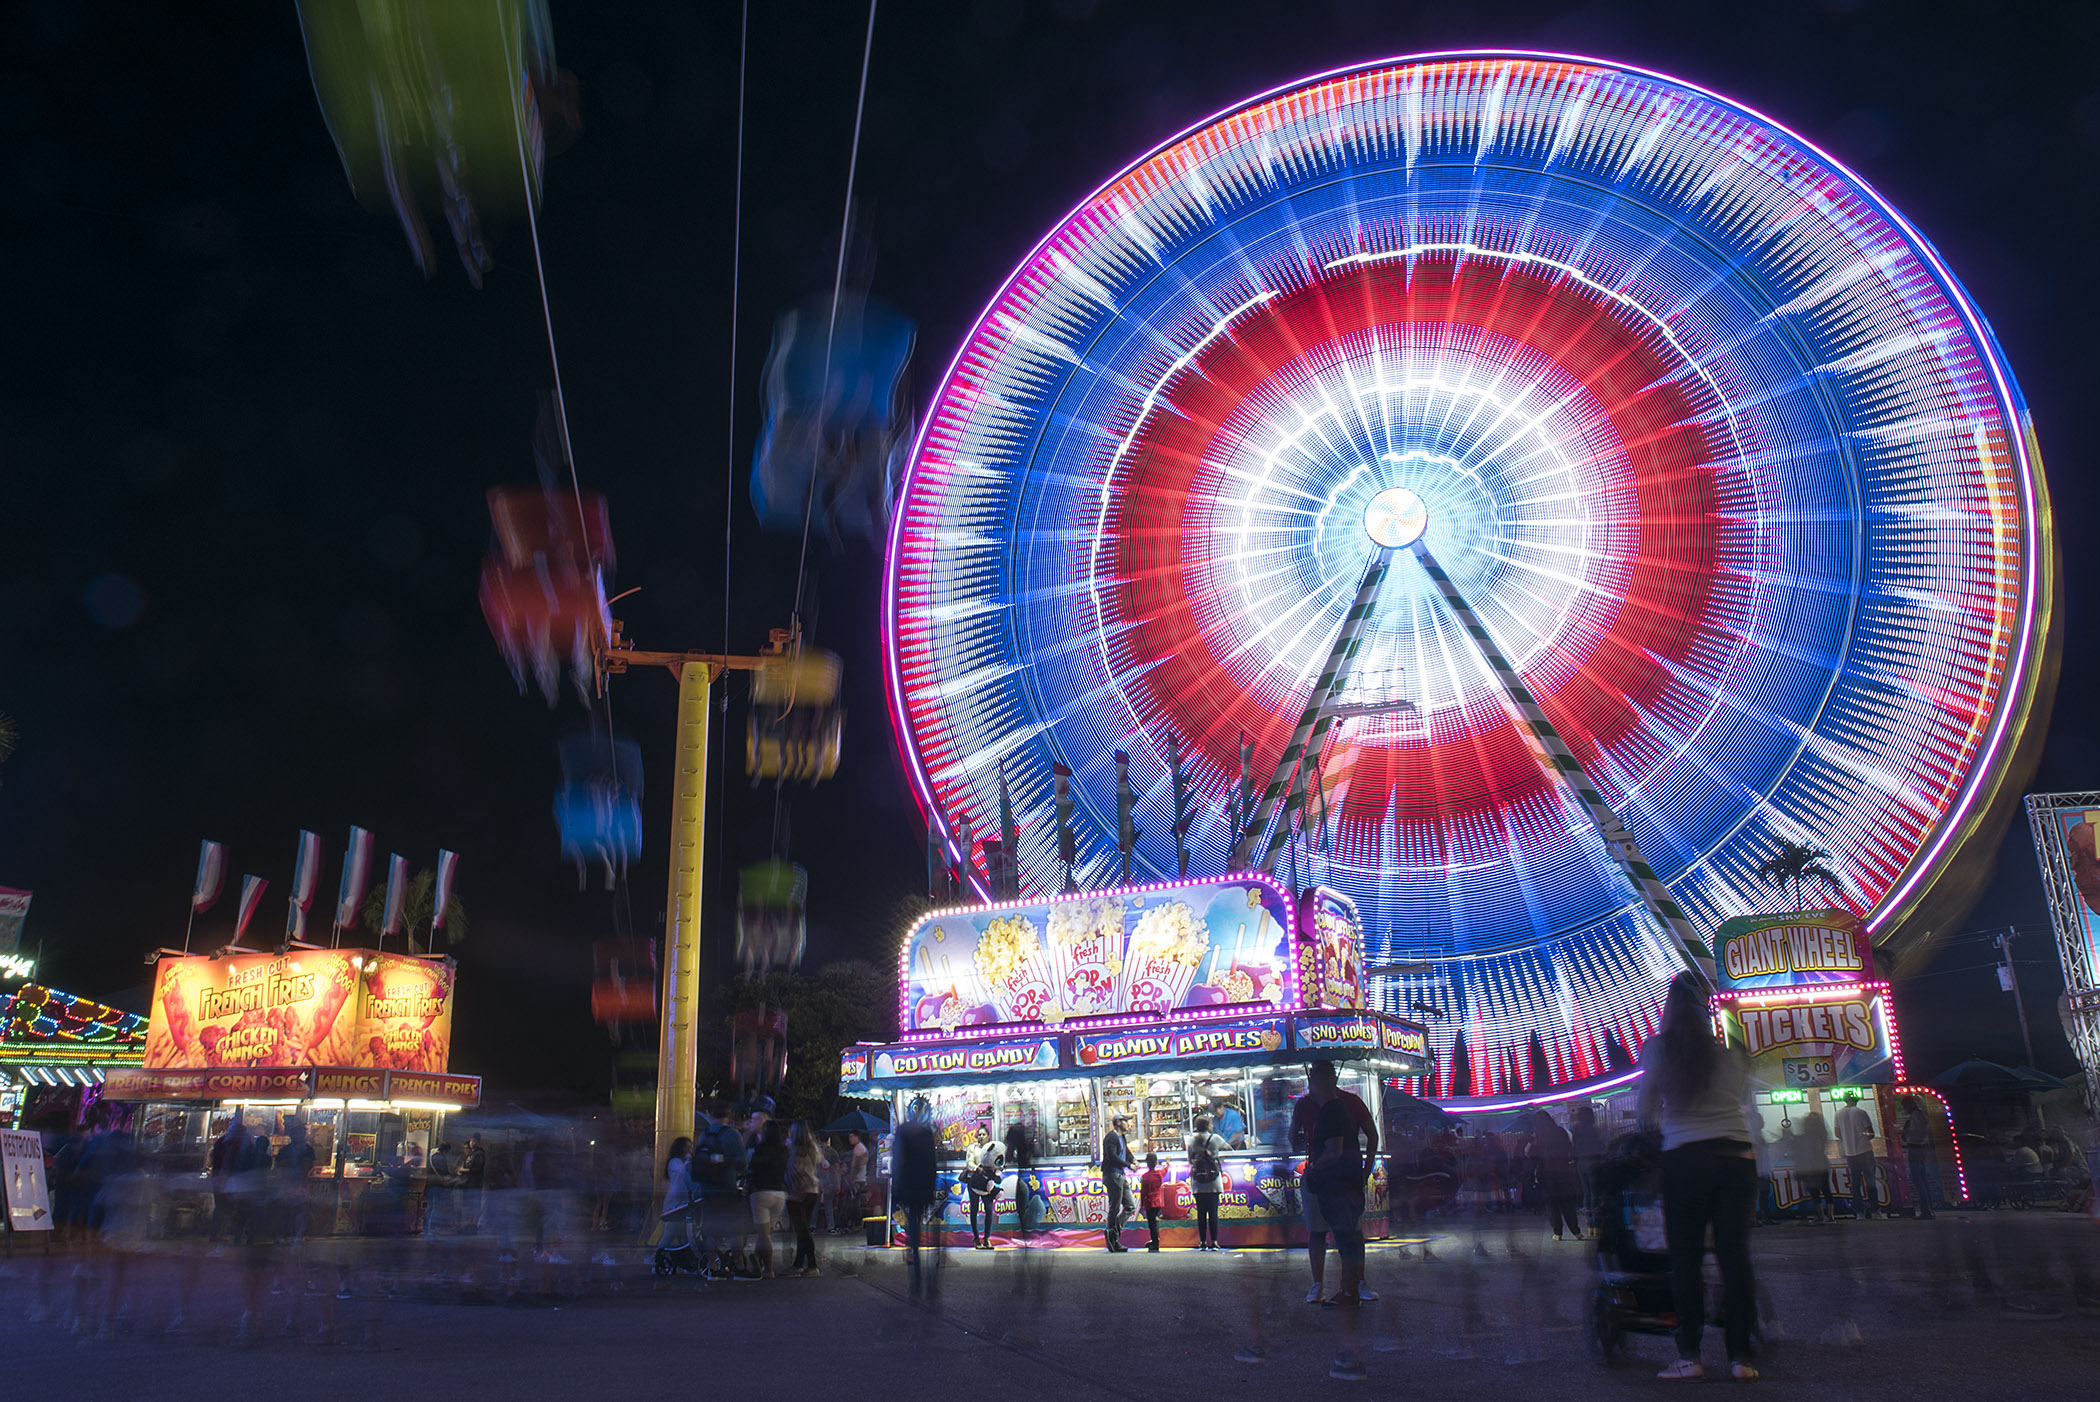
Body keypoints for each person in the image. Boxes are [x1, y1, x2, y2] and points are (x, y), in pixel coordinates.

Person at [1637, 972, 1760, 1382]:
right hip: (1736, 1158)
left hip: (1686, 1159)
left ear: (1669, 1009)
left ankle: (1690, 1355)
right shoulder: (1731, 1053)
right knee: (1734, 1258)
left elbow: (1645, 1110)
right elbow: (1739, 1101)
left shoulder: (1659, 1050)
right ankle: (1741, 1357)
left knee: (1687, 1260)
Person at [1290, 1061, 1380, 1302]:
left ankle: (1338, 1285)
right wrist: (1366, 1168)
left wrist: (1315, 1163)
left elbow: (1294, 1137)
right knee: (1348, 1232)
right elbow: (1372, 1136)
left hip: (1330, 1177)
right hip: (1343, 1177)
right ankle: (1351, 1284)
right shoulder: (1341, 1103)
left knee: (1329, 1232)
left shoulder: (1330, 1106)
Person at [1305, 1067, 1369, 1380]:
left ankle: (1348, 1292)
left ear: (1319, 1084)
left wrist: (1314, 1167)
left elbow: (1335, 1150)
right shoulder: (1340, 1108)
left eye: (1311, 1083)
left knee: (1344, 1241)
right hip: (1348, 1185)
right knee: (1349, 1240)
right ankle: (1351, 1289)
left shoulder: (1331, 1111)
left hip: (1338, 1188)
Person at [693, 1102, 749, 1276]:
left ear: (711, 1114)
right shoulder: (732, 1135)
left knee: (710, 1229)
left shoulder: (704, 1135)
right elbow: (743, 1163)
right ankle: (738, 1265)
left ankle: (713, 1267)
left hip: (707, 1189)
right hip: (727, 1187)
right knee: (735, 1228)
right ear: (728, 1115)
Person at [891, 1098, 939, 1297]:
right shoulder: (927, 1132)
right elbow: (932, 1163)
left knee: (914, 1227)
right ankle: (929, 1278)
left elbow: (898, 1161)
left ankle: (917, 1274)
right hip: (923, 1186)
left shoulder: (903, 1131)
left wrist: (898, 1187)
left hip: (910, 1186)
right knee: (923, 1225)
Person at [747, 1119, 790, 1279]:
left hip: (761, 1193)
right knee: (766, 1234)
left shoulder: (760, 1149)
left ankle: (769, 1269)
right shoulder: (784, 1150)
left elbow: (751, 1168)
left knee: (764, 1235)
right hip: (779, 1194)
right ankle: (758, 1260)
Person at [1532, 1109, 1580, 1241]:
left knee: (1551, 1204)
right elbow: (1570, 1148)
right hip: (1563, 1171)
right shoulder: (1561, 1131)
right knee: (1567, 1203)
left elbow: (1530, 1153)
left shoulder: (1538, 1135)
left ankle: (1558, 1233)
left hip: (1546, 1174)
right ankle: (1576, 1231)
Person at [1835, 1091, 1879, 1220]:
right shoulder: (1861, 1112)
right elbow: (1871, 1133)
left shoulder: (1838, 1114)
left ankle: (1859, 1212)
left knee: (1855, 1184)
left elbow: (1837, 1134)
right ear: (1856, 1100)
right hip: (1865, 1151)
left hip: (1850, 1153)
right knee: (1870, 1182)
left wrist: (1848, 1138)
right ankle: (1875, 1211)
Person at [1186, 1114, 1228, 1250]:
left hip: (1198, 1181)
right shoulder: (1215, 1138)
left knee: (1201, 1213)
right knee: (1213, 1212)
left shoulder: (1191, 1140)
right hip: (1213, 1180)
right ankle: (1214, 1242)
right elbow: (1229, 1148)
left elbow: (1190, 1160)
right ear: (1208, 1126)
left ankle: (1203, 1242)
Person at [788, 1120, 824, 1275]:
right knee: (803, 1229)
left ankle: (812, 1265)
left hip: (797, 1192)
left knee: (802, 1231)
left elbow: (793, 1168)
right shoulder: (813, 1148)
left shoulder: (793, 1148)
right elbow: (821, 1162)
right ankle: (798, 1263)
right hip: (812, 1190)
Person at [1100, 1114, 1136, 1252]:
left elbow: (1126, 1151)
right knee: (1114, 1207)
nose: (1128, 1124)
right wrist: (1128, 1165)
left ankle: (1113, 1233)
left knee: (1130, 1206)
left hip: (1120, 1175)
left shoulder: (1122, 1137)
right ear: (1118, 1122)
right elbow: (1112, 1157)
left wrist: (1133, 1160)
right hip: (1112, 1175)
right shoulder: (1111, 1137)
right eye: (1125, 1121)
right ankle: (1112, 1237)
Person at [964, 1126, 1004, 1249]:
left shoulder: (993, 1149)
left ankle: (987, 1238)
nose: (981, 1137)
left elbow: (999, 1163)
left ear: (988, 1136)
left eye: (983, 1135)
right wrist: (978, 1169)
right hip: (974, 1182)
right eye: (979, 1134)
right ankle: (976, 1239)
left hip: (987, 1184)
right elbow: (969, 1163)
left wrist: (995, 1175)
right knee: (974, 1209)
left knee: (988, 1209)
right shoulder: (972, 1148)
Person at [1570, 1102, 1605, 1237]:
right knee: (1595, 1193)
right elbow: (1600, 1144)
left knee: (1587, 1193)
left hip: (1580, 1162)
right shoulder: (1593, 1129)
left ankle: (1590, 1225)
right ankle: (1596, 1225)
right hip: (1593, 1161)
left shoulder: (1574, 1129)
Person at [1798, 1109, 1835, 1223]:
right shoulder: (1822, 1133)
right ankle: (1831, 1215)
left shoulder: (1807, 1135)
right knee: (1826, 1189)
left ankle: (1820, 1215)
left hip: (1811, 1165)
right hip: (1822, 1163)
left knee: (1814, 1191)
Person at [659, 1136, 695, 1249]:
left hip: (684, 1201)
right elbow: (683, 1172)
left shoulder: (684, 1162)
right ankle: (658, 1256)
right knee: (670, 1233)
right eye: (687, 1146)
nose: (690, 1149)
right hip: (676, 1202)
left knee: (685, 1236)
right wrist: (689, 1160)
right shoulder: (675, 1162)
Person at [1004, 1118, 1037, 1239]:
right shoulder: (1028, 1147)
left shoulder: (1012, 1148)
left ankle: (1022, 1231)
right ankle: (1026, 1231)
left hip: (1018, 1179)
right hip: (1028, 1178)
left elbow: (1007, 1159)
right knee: (1024, 1205)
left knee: (1020, 1205)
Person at [1138, 1153, 1166, 1251]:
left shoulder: (1145, 1177)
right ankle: (1155, 1240)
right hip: (1158, 1202)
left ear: (1147, 1163)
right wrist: (1167, 1163)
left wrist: (1141, 1204)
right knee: (1155, 1222)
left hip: (1149, 1203)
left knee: (1152, 1223)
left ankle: (1155, 1242)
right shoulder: (1159, 1174)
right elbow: (1165, 1170)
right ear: (1156, 1162)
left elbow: (1143, 1192)